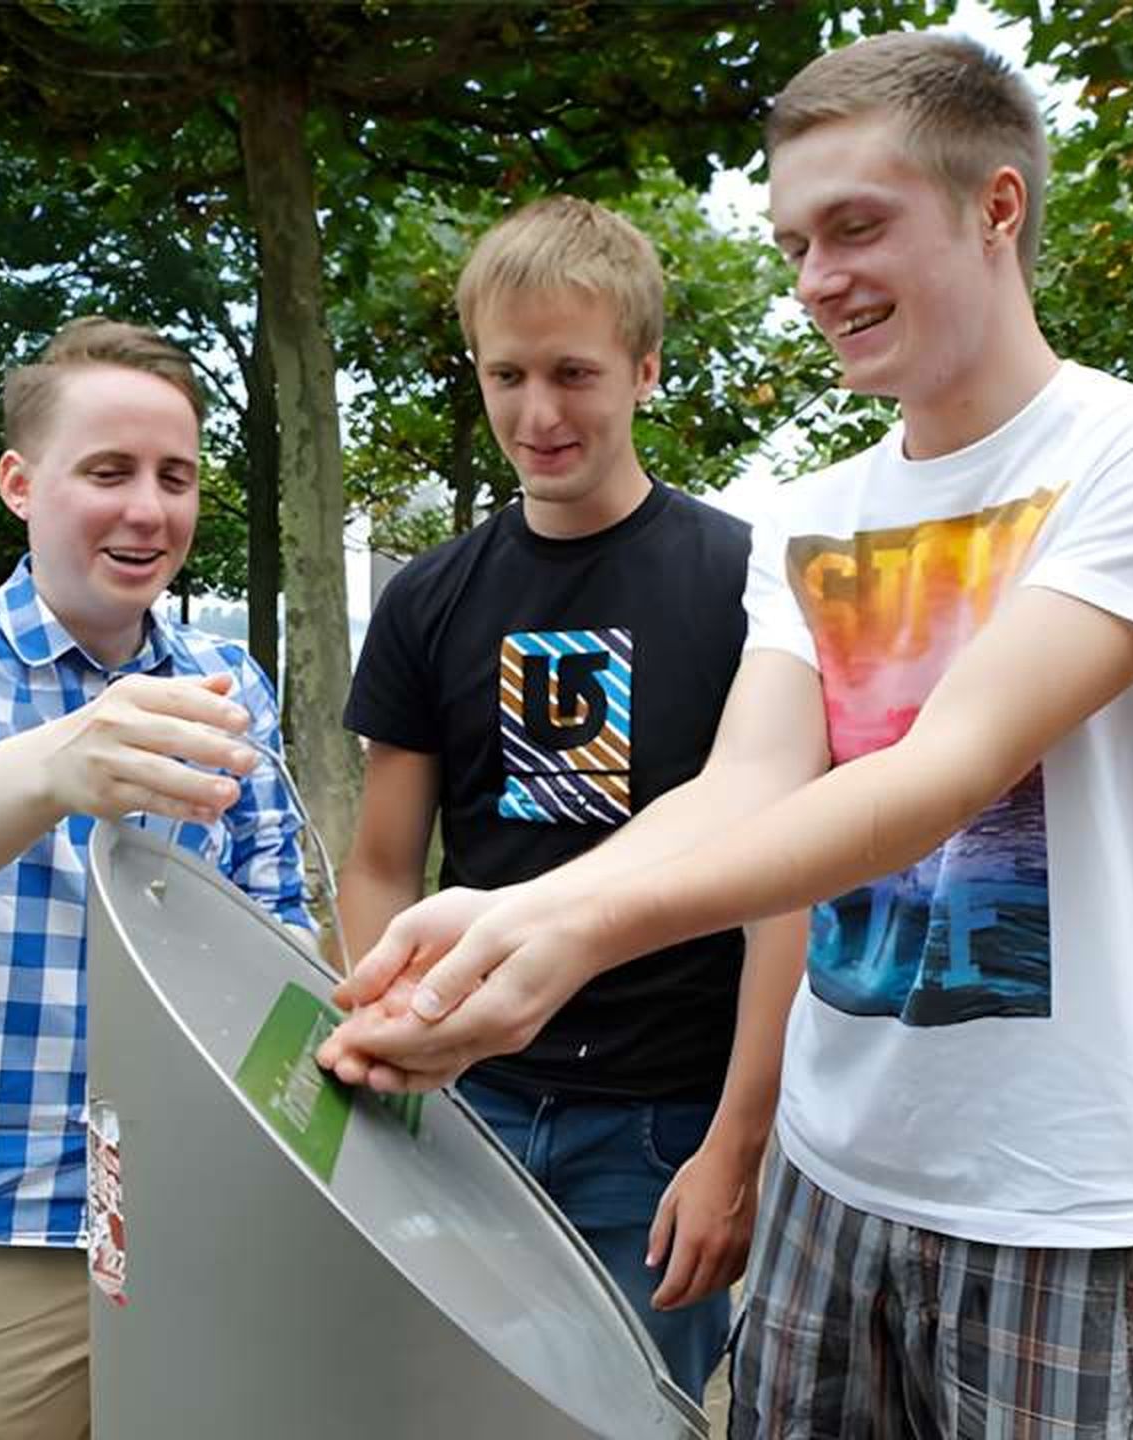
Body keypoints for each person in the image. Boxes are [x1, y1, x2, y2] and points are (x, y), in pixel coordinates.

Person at [320, 32, 1133, 1438]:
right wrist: (511, 916)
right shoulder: (811, 513)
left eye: (857, 227)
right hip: (833, 1177)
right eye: (796, 241)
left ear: (998, 208)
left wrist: (577, 937)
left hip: (1064, 1201)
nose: (817, 281)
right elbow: (750, 780)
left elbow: (936, 775)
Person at [336, 195, 806, 1402]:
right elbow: (386, 861)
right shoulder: (427, 599)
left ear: (647, 369)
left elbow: (783, 891)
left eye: (575, 372)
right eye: (507, 374)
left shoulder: (746, 582)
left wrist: (735, 1149)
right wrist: (398, 1047)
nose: (538, 414)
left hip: (660, 1126)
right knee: (443, 1408)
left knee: (623, 1417)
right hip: (471, 1109)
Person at [0, 316, 309, 1440]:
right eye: (108, 471)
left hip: (199, 1225)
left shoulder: (225, 679)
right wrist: (58, 763)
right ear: (20, 484)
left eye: (175, 477)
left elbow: (280, 927)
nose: (149, 508)